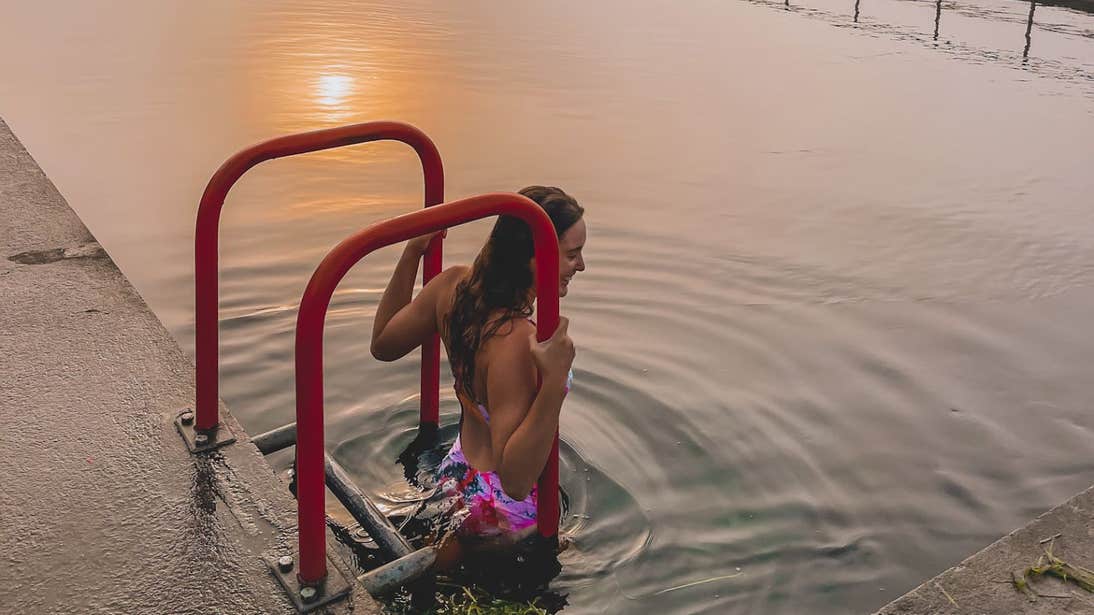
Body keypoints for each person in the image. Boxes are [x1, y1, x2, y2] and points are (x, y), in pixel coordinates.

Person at [371, 185, 586, 542]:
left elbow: (383, 344)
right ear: (533, 257)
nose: (581, 265)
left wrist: (413, 251)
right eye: (572, 254)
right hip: (502, 513)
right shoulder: (519, 340)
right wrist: (554, 382)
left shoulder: (452, 286)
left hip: (454, 474)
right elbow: (516, 482)